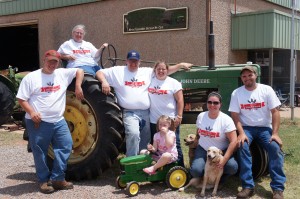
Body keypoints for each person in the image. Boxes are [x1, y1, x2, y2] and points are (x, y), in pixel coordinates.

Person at [96, 50, 193, 157]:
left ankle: (142, 162)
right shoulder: (117, 71)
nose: (133, 64)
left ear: (139, 62)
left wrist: (180, 65)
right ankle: (131, 163)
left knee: (145, 140)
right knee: (133, 134)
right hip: (130, 112)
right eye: (131, 61)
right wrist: (104, 81)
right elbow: (99, 72)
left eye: (135, 61)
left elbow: (163, 71)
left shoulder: (146, 72)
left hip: (146, 113)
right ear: (126, 61)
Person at [16, 50, 84, 194]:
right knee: (40, 151)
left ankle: (58, 178)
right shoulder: (32, 77)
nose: (52, 64)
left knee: (66, 146)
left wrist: (78, 86)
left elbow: (79, 70)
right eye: (50, 61)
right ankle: (43, 181)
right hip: (38, 122)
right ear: (44, 60)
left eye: (55, 62)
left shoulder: (61, 74)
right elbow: (21, 99)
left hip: (59, 120)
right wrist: (32, 112)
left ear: (58, 63)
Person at [229, 66, 286, 199]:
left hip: (264, 128)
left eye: (250, 75)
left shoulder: (266, 90)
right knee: (242, 145)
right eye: (244, 76)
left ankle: (278, 189)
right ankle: (248, 186)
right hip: (247, 128)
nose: (247, 78)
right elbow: (235, 115)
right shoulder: (237, 93)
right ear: (241, 78)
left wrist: (275, 133)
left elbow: (275, 112)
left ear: (255, 75)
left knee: (275, 147)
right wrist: (241, 133)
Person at [190, 92, 238, 184]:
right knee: (195, 171)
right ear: (206, 103)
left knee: (232, 167)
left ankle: (219, 180)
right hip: (204, 149)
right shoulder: (201, 116)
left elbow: (233, 141)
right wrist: (196, 139)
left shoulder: (226, 119)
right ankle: (205, 176)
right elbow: (199, 130)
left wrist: (224, 159)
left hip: (220, 152)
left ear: (220, 105)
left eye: (216, 103)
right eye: (209, 102)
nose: (212, 105)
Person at [148, 60, 184, 167]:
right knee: (158, 145)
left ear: (167, 70)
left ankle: (179, 167)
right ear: (155, 70)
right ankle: (161, 169)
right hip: (154, 120)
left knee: (174, 145)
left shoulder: (173, 82)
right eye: (158, 69)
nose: (161, 71)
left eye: (163, 69)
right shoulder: (150, 80)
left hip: (170, 121)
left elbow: (180, 100)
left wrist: (179, 115)